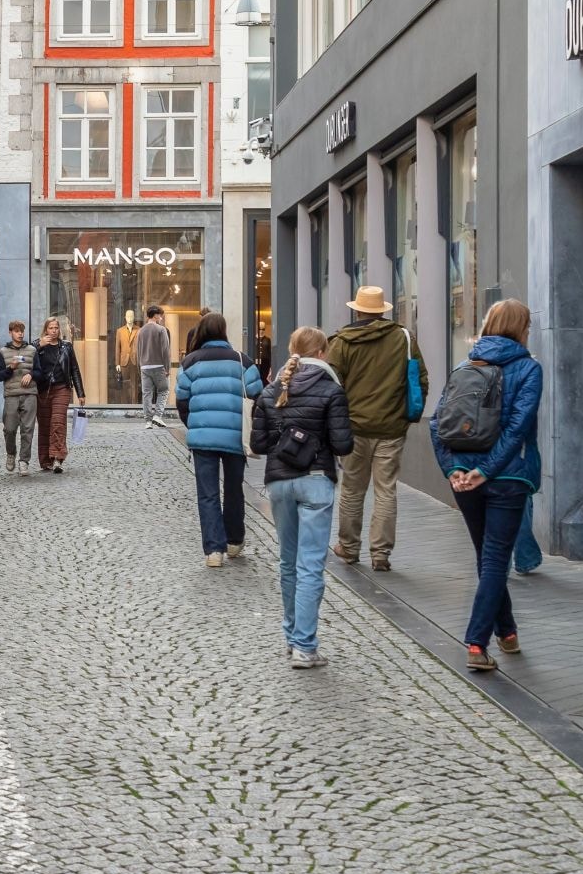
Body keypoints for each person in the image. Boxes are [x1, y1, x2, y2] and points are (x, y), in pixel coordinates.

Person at [430, 300, 544, 673]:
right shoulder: (528, 369)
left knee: (487, 558)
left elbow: (438, 425)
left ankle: (507, 632)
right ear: (521, 327)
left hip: (465, 478)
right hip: (507, 477)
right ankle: (476, 642)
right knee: (495, 560)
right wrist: (490, 470)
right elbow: (517, 428)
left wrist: (453, 470)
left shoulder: (465, 367)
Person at [250, 326, 353, 668]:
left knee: (288, 562)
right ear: (322, 354)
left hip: (279, 483)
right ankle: (305, 647)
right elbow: (343, 445)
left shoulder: (270, 391)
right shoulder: (331, 390)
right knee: (310, 565)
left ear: (293, 350)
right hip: (314, 482)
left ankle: (293, 637)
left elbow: (259, 445)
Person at [327, 286, 431, 572]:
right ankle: (381, 554)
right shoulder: (403, 338)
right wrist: (406, 416)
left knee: (352, 489)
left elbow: (330, 385)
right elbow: (420, 380)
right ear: (383, 310)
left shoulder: (342, 342)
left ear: (357, 310)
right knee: (386, 490)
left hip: (354, 427)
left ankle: (348, 548)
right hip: (391, 428)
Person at [175, 313, 264, 566]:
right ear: (224, 331)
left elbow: (182, 400)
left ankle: (214, 550)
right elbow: (257, 396)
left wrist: (192, 424)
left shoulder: (190, 362)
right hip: (235, 436)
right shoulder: (242, 362)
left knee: (208, 493)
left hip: (203, 438)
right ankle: (234, 540)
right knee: (234, 489)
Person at [32, 316, 85, 472]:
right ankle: (45, 460)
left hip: (62, 388)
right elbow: (27, 359)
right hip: (43, 390)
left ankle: (57, 458)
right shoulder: (37, 345)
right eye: (51, 328)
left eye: (56, 328)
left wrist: (80, 392)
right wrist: (38, 346)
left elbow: (74, 369)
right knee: (45, 425)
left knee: (58, 422)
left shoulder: (66, 347)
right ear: (45, 330)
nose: (54, 331)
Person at [0, 319, 37, 473]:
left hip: (30, 393)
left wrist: (31, 375)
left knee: (28, 429)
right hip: (11, 394)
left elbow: (40, 371)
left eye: (22, 331)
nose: (20, 334)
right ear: (10, 333)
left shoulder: (32, 350)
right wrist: (10, 368)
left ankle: (24, 461)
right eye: (17, 331)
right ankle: (11, 453)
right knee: (10, 429)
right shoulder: (3, 352)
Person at [136, 306, 173, 427]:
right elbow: (165, 351)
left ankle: (147, 421)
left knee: (147, 393)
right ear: (155, 315)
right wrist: (167, 368)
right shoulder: (161, 330)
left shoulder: (140, 331)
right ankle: (157, 416)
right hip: (159, 365)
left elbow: (138, 351)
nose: (161, 318)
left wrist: (139, 367)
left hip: (144, 367)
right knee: (164, 390)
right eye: (160, 315)